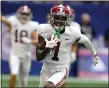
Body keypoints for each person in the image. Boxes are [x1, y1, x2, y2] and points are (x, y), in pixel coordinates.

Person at [36, 4, 99, 88]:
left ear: (67, 18)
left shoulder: (72, 32)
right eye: (57, 17)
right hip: (46, 68)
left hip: (61, 69)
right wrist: (47, 48)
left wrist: (94, 54)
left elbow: (86, 40)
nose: (60, 21)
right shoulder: (43, 29)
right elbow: (38, 57)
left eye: (62, 18)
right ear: (51, 17)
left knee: (49, 86)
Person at [1, 5, 39, 88]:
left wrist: (30, 41)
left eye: (26, 14)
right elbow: (4, 20)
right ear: (18, 14)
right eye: (23, 13)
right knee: (13, 73)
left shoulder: (33, 25)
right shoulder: (13, 21)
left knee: (24, 80)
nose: (24, 16)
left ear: (30, 15)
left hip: (26, 55)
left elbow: (37, 41)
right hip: (14, 54)